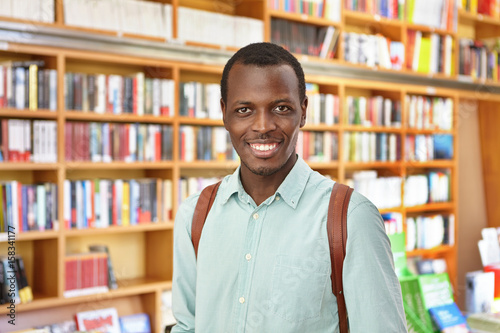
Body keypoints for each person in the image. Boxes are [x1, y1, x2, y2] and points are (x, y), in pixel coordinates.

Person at [171, 42, 408, 333]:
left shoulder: (350, 218)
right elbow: (187, 326)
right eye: (244, 109)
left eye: (281, 108)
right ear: (224, 114)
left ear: (303, 111)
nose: (262, 126)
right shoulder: (194, 215)